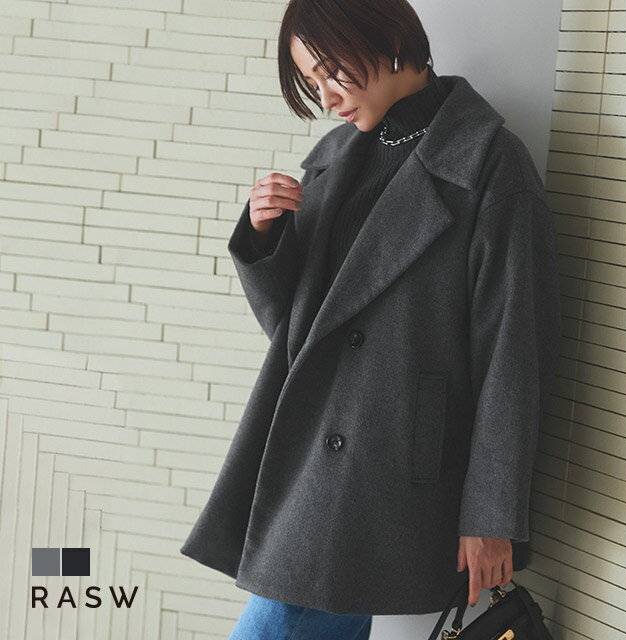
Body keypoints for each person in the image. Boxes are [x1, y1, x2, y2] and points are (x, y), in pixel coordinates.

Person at [179, 0, 563, 637]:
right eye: (312, 82)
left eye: (332, 71)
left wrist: (491, 513)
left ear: (385, 37)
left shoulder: (490, 165)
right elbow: (298, 334)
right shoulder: (336, 158)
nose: (326, 97)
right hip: (315, 454)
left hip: (394, 461)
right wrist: (266, 239)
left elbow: (515, 352)